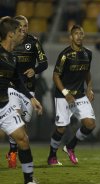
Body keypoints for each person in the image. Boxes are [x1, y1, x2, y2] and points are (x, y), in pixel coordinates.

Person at [0, 16, 43, 184]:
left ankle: (29, 180)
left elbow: (17, 81)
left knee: (23, 139)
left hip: (4, 106)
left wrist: (31, 99)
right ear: (11, 35)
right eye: (19, 31)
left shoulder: (11, 57)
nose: (22, 34)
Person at [47, 25, 96, 166]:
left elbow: (87, 72)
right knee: (61, 128)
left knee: (90, 124)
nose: (79, 36)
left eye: (81, 33)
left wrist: (89, 89)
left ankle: (70, 147)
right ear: (71, 37)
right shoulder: (65, 55)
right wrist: (65, 93)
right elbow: (55, 76)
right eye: (76, 34)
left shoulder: (88, 53)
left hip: (80, 95)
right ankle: (52, 156)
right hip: (63, 96)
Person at [6, 15, 48, 169]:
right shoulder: (10, 41)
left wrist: (35, 70)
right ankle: (12, 152)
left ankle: (14, 148)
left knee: (24, 123)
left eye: (26, 25)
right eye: (21, 26)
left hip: (29, 89)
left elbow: (44, 63)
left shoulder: (34, 42)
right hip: (12, 87)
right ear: (16, 28)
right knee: (15, 118)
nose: (24, 28)